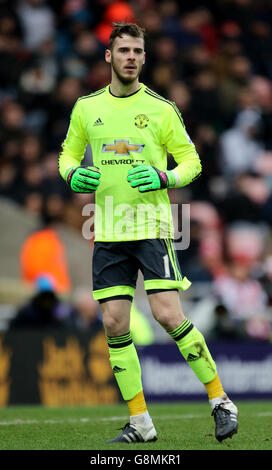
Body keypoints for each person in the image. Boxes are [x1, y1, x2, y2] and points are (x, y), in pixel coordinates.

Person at [58, 22, 238, 444]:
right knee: (115, 322)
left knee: (166, 314)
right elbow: (67, 154)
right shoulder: (86, 107)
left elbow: (192, 161)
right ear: (109, 56)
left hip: (151, 227)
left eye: (138, 51)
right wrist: (72, 175)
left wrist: (163, 176)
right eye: (123, 50)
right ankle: (141, 422)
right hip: (107, 229)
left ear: (144, 57)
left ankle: (220, 401)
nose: (131, 57)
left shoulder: (162, 109)